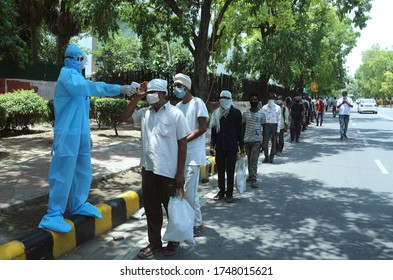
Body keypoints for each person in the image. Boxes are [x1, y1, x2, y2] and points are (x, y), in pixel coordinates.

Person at [38, 44, 135, 233]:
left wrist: (87, 134)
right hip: (67, 133)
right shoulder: (67, 76)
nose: (82, 62)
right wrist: (120, 88)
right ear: (70, 60)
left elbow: (82, 111)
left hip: (80, 133)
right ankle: (53, 214)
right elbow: (90, 87)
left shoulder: (76, 78)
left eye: (83, 59)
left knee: (83, 170)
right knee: (63, 172)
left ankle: (78, 204)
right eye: (79, 59)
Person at [121, 78, 190, 258]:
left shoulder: (176, 114)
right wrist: (137, 97)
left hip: (169, 171)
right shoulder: (145, 113)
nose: (150, 96)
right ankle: (154, 243)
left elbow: (183, 144)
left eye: (154, 93)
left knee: (172, 208)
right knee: (152, 209)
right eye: (148, 93)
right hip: (149, 169)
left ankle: (174, 241)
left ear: (163, 94)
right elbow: (125, 117)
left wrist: (180, 173)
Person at [173, 73, 208, 237]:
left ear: (187, 87)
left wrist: (184, 140)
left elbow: (202, 128)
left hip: (193, 156)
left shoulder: (198, 103)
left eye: (179, 85)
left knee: (190, 193)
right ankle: (187, 221)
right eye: (175, 85)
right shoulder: (178, 106)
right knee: (182, 192)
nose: (176, 88)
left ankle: (198, 223)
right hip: (180, 156)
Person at [210, 90, 245, 203]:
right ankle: (221, 191)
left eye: (226, 97)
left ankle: (229, 193)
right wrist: (211, 145)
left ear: (230, 99)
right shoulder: (216, 113)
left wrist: (242, 146)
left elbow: (240, 131)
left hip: (231, 147)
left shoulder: (236, 113)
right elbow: (214, 131)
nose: (224, 99)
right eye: (222, 97)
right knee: (220, 171)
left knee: (230, 171)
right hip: (220, 146)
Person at [242, 93, 265, 188]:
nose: (254, 101)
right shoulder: (245, 113)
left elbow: (265, 128)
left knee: (254, 160)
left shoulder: (262, 113)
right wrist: (241, 141)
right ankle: (250, 176)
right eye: (252, 99)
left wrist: (264, 142)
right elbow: (242, 128)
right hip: (247, 140)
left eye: (256, 99)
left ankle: (254, 179)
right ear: (249, 101)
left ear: (258, 101)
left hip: (257, 141)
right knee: (249, 159)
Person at [261, 92, 281, 163]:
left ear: (274, 99)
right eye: (270, 98)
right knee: (265, 142)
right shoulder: (264, 107)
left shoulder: (278, 108)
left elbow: (279, 119)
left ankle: (271, 157)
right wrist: (262, 129)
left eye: (272, 98)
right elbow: (262, 119)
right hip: (266, 125)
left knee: (274, 142)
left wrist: (278, 130)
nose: (271, 99)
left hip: (274, 125)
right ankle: (266, 157)